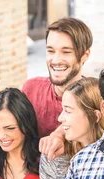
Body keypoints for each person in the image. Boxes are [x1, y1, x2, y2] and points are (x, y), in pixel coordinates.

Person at [22, 17, 93, 161]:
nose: (56, 60)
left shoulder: (95, 96)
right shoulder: (31, 89)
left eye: (66, 52)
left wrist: (60, 135)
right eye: (51, 51)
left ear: (85, 55)